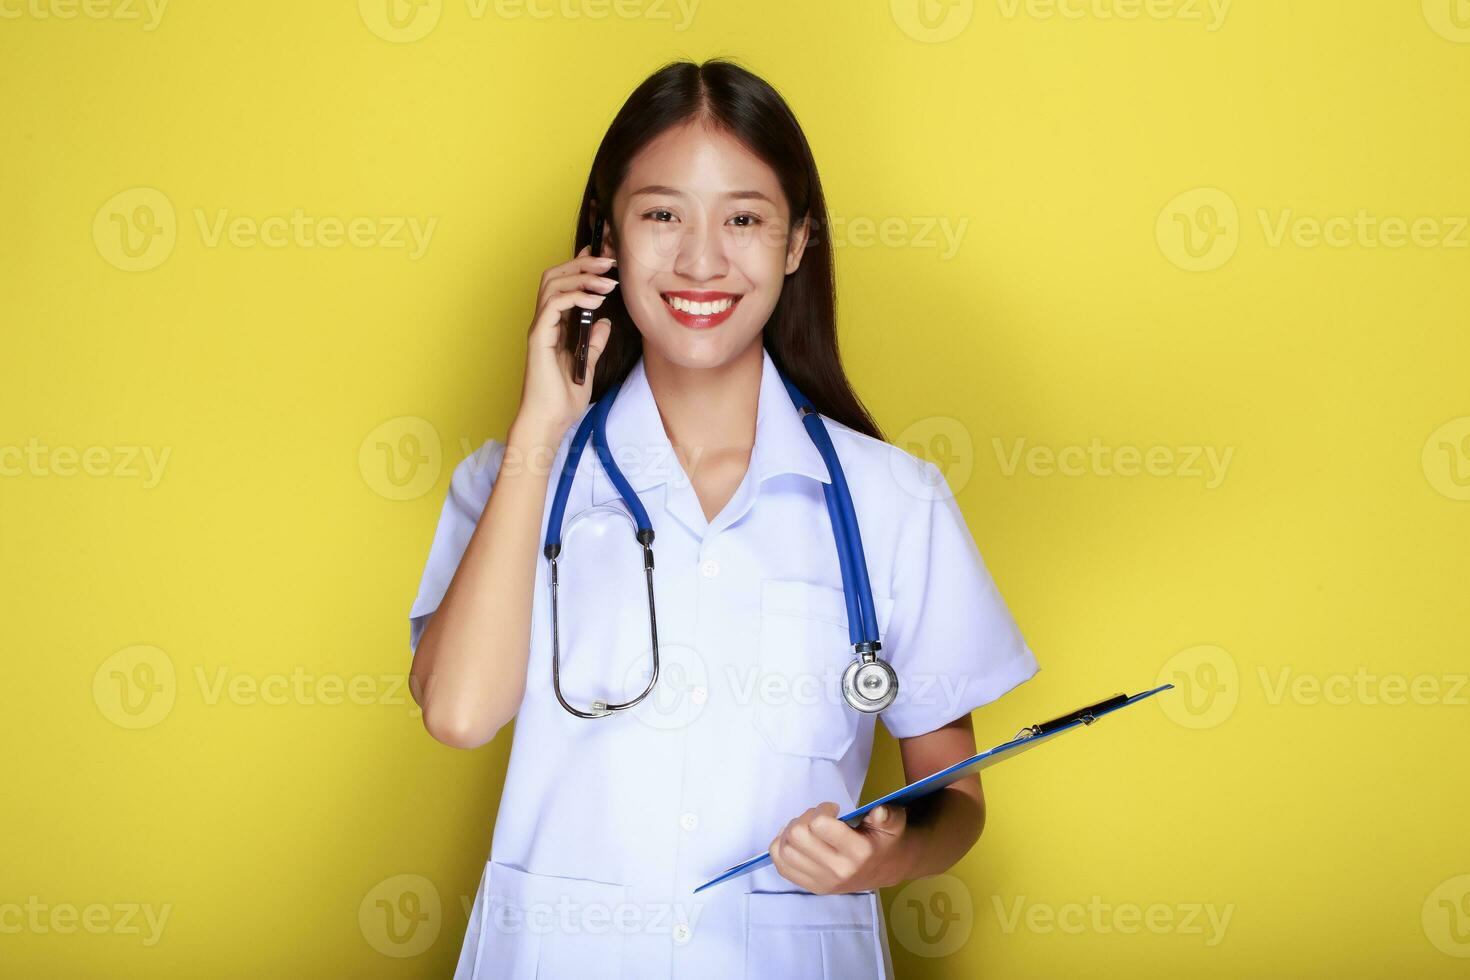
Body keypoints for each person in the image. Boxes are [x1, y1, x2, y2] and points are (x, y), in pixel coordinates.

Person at [406, 57, 1039, 980]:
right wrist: (543, 424)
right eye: (663, 214)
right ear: (605, 239)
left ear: (795, 245)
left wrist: (884, 853)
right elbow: (459, 715)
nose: (702, 260)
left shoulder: (894, 504)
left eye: (744, 218)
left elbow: (958, 802)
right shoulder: (515, 481)